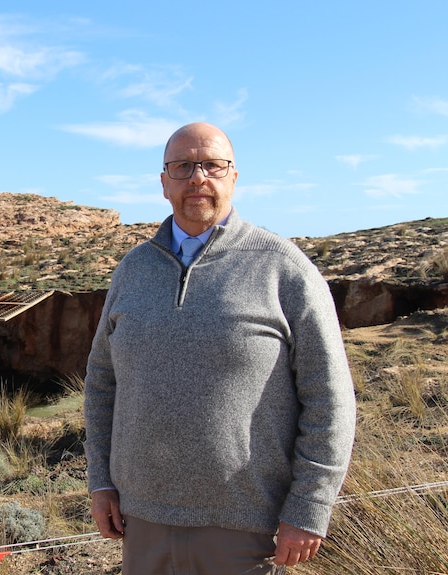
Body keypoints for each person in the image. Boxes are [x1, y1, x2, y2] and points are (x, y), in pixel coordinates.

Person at [83, 122, 356, 574]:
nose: (198, 177)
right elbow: (101, 382)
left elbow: (329, 398)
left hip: (248, 529)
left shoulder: (283, 268)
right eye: (183, 166)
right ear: (164, 183)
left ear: (234, 176)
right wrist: (101, 482)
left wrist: (309, 508)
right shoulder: (132, 270)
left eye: (213, 164)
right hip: (141, 523)